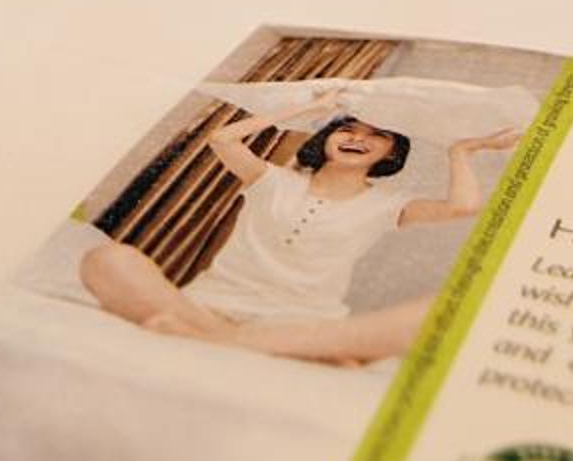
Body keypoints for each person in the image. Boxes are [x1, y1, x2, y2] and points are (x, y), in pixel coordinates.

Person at [81, 86, 524, 366]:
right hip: (209, 306)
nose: (359, 138)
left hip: (301, 324)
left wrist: (462, 151)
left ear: (390, 153)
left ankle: (229, 343)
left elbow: (462, 207)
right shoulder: (271, 180)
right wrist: (310, 107)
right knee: (108, 259)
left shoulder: (387, 204)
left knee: (435, 313)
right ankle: (227, 338)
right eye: (348, 129)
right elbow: (222, 138)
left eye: (377, 135)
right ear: (326, 138)